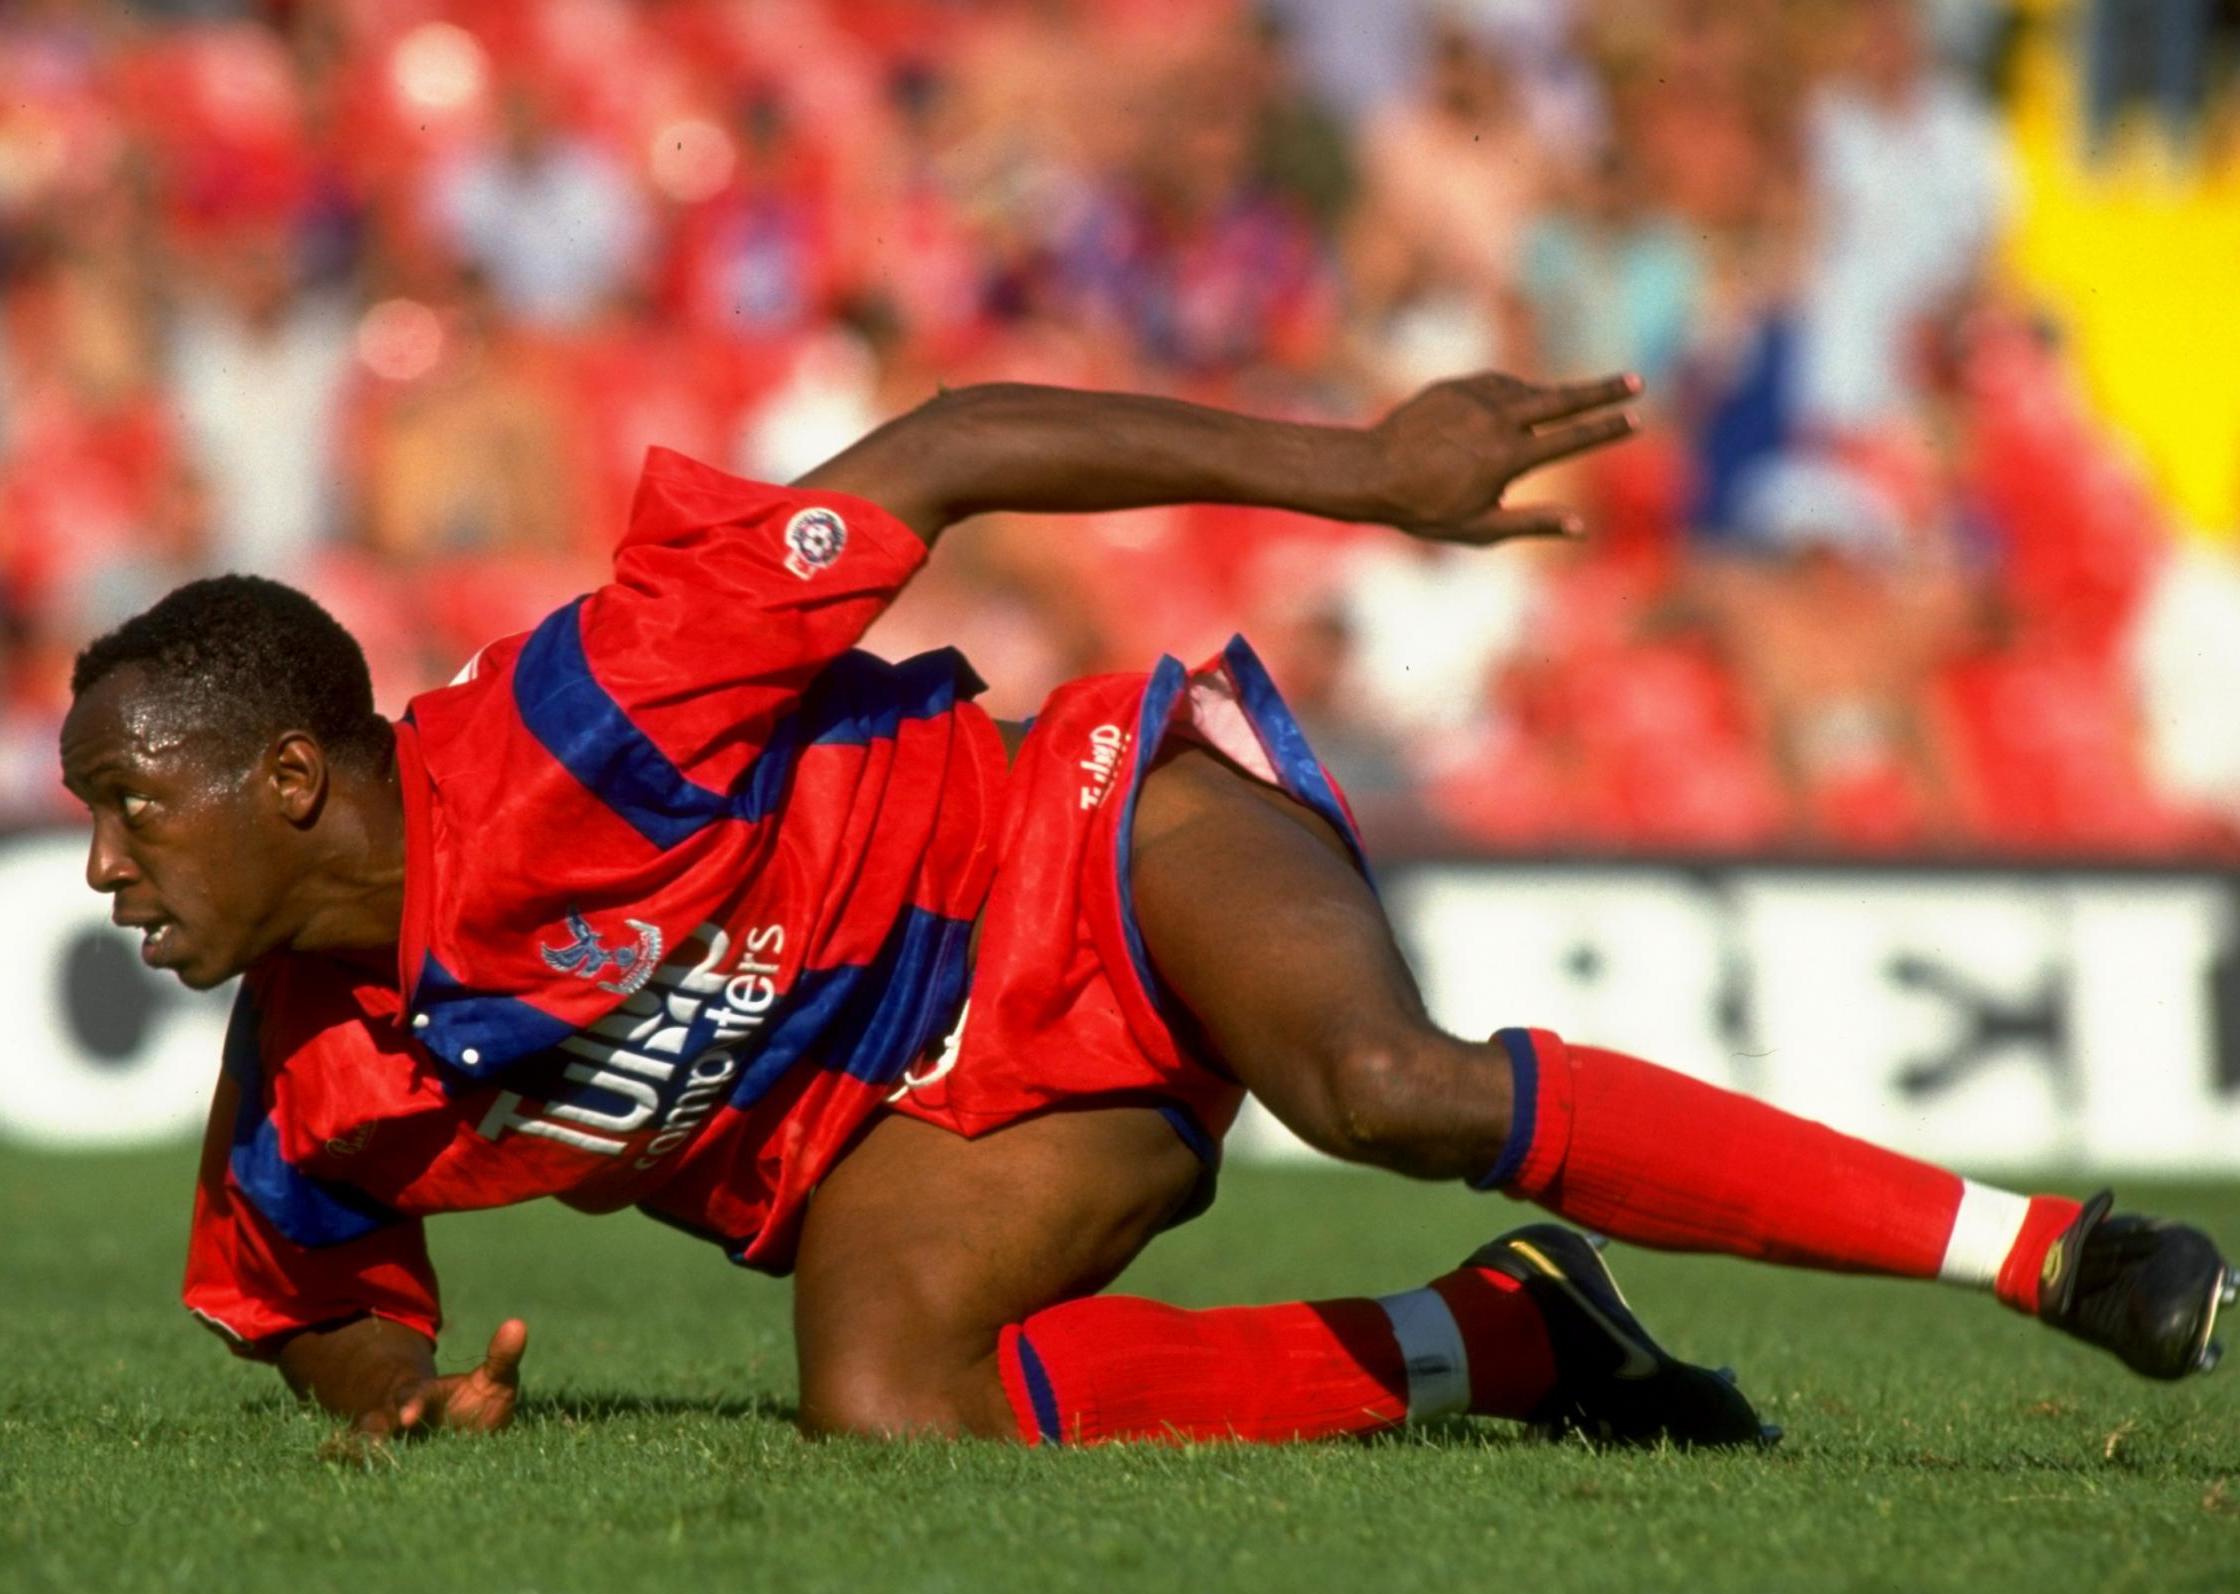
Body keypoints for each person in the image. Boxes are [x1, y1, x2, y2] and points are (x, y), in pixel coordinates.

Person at [58, 370, 2231, 1455]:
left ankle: (2056, 1252)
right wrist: (404, 1410)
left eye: (133, 813)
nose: (101, 868)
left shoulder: (580, 718)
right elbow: (329, 1322)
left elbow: (961, 441)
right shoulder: (307, 1094)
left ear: (291, 777)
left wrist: (1366, 473)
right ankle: (1510, 1336)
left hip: (1079, 836)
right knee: (880, 1406)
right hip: (937, 1112)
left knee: (1380, 1086)